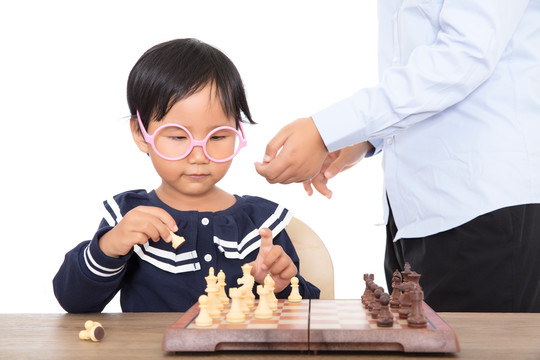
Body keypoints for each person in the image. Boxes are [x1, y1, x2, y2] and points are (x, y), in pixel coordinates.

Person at [255, 1, 540, 312]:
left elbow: (465, 56)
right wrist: (365, 139)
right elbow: (414, 63)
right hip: (411, 211)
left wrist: (327, 129)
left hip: (481, 203)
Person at [53, 38, 320, 313]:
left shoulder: (260, 224)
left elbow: (309, 312)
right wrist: (108, 246)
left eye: (218, 136)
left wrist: (282, 286)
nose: (198, 155)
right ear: (141, 134)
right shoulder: (129, 216)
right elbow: (74, 301)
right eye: (179, 136)